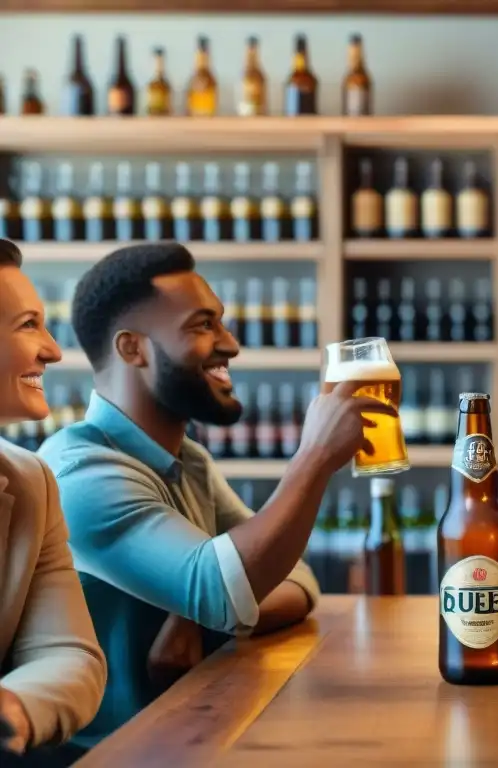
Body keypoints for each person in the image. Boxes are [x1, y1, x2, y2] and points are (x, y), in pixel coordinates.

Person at [38, 242, 396, 749]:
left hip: (183, 739)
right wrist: (314, 456)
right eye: (202, 325)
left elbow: (295, 578)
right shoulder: (80, 472)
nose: (230, 344)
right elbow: (226, 589)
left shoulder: (189, 461)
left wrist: (195, 617)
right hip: (104, 757)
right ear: (132, 349)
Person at [0, 239, 107, 761]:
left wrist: (15, 706)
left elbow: (68, 651)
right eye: (28, 325)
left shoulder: (30, 481)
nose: (54, 349)